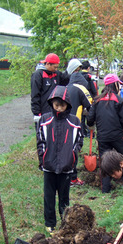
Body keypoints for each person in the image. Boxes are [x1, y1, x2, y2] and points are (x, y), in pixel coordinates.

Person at [36, 86, 83, 234]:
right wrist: (42, 158)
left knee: (64, 198)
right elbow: (40, 141)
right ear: (51, 104)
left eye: (62, 105)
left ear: (67, 105)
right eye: (56, 105)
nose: (59, 108)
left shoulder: (74, 121)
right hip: (49, 165)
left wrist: (73, 156)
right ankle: (50, 223)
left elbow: (79, 141)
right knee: (49, 197)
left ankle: (65, 222)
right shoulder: (45, 120)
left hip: (66, 167)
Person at [87, 74, 123, 193]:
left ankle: (105, 188)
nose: (120, 87)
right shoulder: (119, 100)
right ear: (115, 84)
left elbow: (89, 119)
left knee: (104, 161)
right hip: (118, 136)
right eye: (119, 84)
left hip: (102, 137)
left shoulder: (97, 100)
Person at [66, 58, 93, 186]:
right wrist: (91, 123)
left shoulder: (65, 88)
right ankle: (73, 178)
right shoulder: (82, 88)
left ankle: (65, 176)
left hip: (62, 124)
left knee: (65, 149)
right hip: (75, 124)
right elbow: (90, 107)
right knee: (74, 150)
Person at [31, 53, 67, 132]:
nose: (56, 69)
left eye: (57, 67)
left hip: (54, 110)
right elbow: (35, 95)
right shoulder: (38, 75)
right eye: (55, 67)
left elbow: (66, 79)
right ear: (47, 64)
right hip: (43, 111)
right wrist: (36, 113)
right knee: (43, 135)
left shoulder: (56, 74)